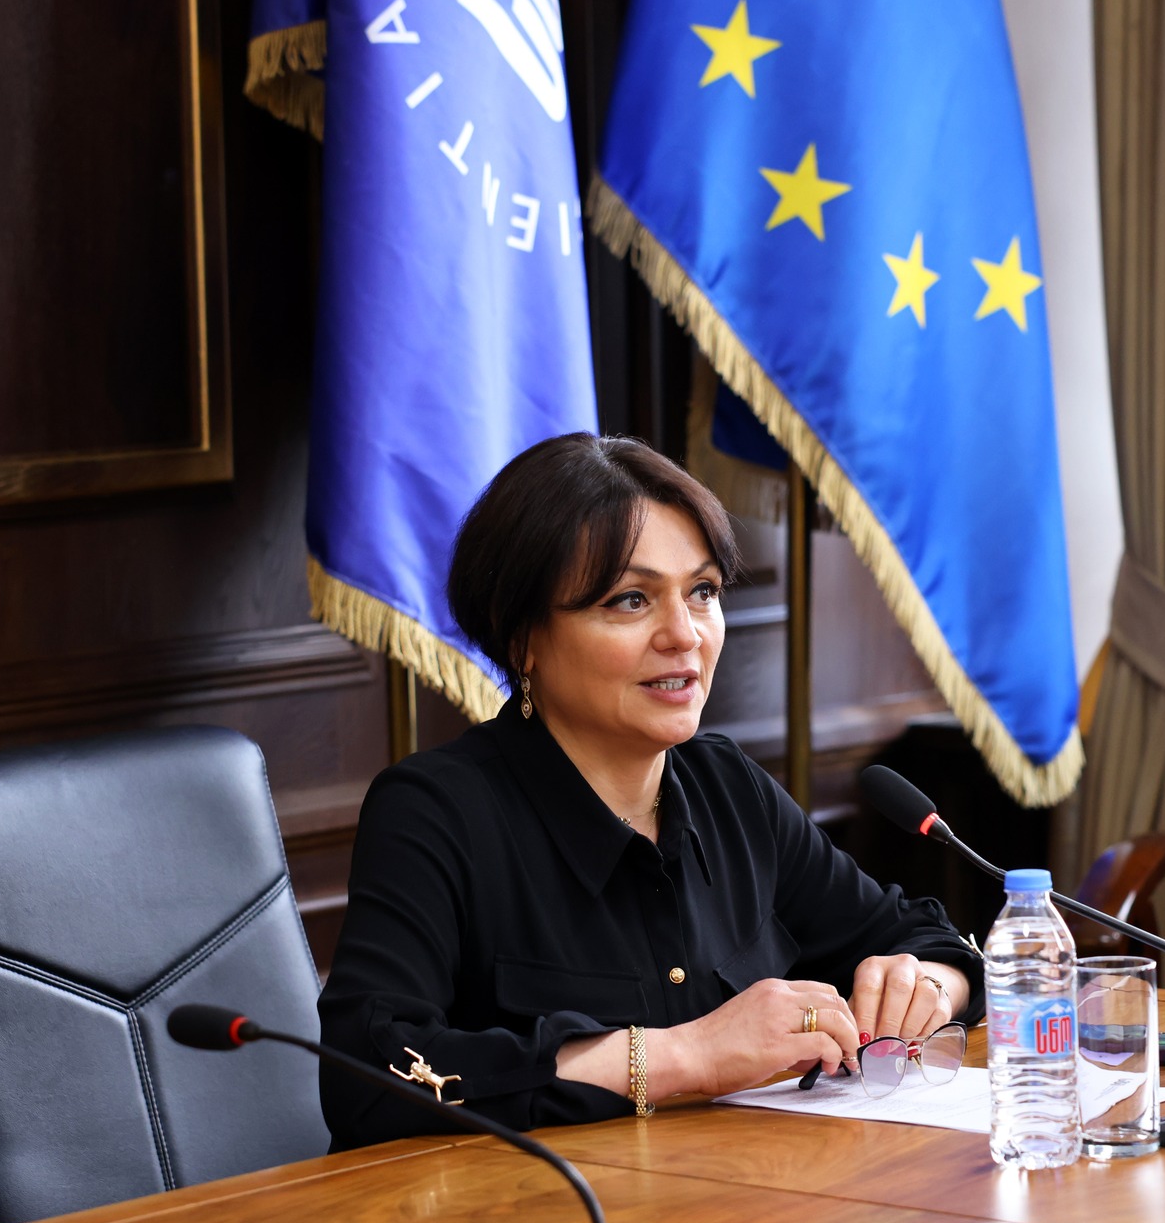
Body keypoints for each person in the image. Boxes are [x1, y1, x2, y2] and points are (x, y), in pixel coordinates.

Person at [318, 433, 981, 1148]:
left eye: (703, 592)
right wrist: (685, 1056)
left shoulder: (728, 787)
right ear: (522, 639)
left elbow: (927, 941)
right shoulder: (436, 812)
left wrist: (923, 988)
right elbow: (368, 1078)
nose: (684, 634)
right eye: (631, 600)